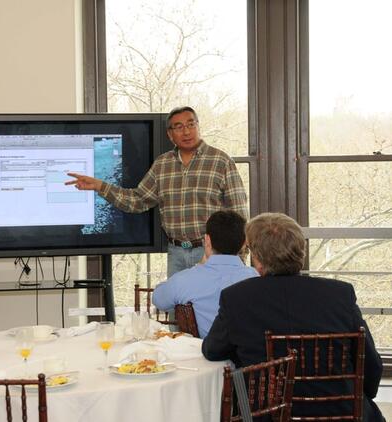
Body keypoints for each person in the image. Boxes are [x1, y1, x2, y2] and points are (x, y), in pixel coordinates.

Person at [202, 213, 384, 421]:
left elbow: (212, 350)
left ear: (258, 259)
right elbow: (372, 367)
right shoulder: (340, 294)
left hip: (267, 415)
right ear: (301, 252)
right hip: (342, 412)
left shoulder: (236, 298)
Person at [65, 106, 248, 276]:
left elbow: (239, 213)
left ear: (198, 126)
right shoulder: (162, 164)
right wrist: (99, 186)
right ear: (170, 135)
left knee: (212, 308)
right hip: (176, 253)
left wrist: (240, 257)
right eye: (178, 127)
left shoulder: (221, 161)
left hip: (213, 252)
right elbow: (137, 200)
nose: (186, 131)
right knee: (178, 310)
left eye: (191, 124)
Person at [151, 210, 258, 338]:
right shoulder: (255, 277)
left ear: (207, 240)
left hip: (201, 354)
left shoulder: (185, 280)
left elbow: (158, 299)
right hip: (248, 355)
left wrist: (200, 265)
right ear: (243, 244)